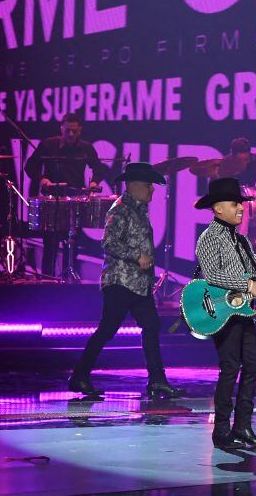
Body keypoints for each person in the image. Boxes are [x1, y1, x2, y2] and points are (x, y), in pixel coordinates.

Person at [68, 162, 184, 400]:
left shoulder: (139, 210)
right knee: (108, 329)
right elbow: (108, 243)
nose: (152, 190)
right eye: (148, 185)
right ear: (133, 186)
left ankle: (157, 381)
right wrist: (136, 256)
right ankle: (79, 376)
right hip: (120, 282)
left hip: (139, 284)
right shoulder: (120, 209)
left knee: (151, 326)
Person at [194, 177, 256, 449]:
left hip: (244, 311)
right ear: (217, 208)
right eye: (235, 203)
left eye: (241, 203)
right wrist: (248, 285)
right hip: (222, 311)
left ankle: (243, 426)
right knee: (230, 368)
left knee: (253, 364)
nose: (241, 208)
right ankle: (221, 431)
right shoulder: (209, 238)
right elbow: (213, 275)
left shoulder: (242, 240)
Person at [23, 113, 120, 278]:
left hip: (75, 200)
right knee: (50, 245)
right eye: (67, 130)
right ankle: (47, 280)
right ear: (61, 128)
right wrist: (42, 179)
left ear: (80, 130)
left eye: (74, 131)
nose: (70, 134)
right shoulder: (48, 144)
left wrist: (94, 183)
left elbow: (99, 169)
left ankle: (69, 280)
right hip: (52, 200)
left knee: (72, 244)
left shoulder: (86, 148)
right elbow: (30, 166)